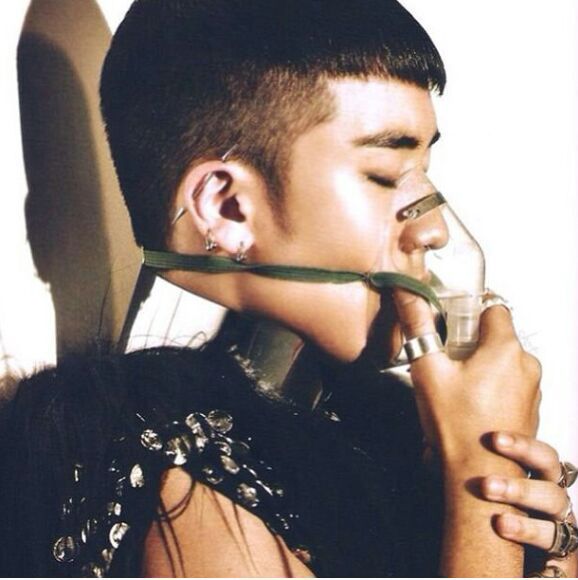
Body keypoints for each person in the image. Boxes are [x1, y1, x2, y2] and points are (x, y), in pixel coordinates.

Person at [0, 0, 576, 577]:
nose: (433, 228)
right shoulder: (158, 451)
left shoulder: (385, 426)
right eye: (384, 176)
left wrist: (548, 554)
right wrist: (483, 490)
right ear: (226, 207)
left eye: (423, 175)